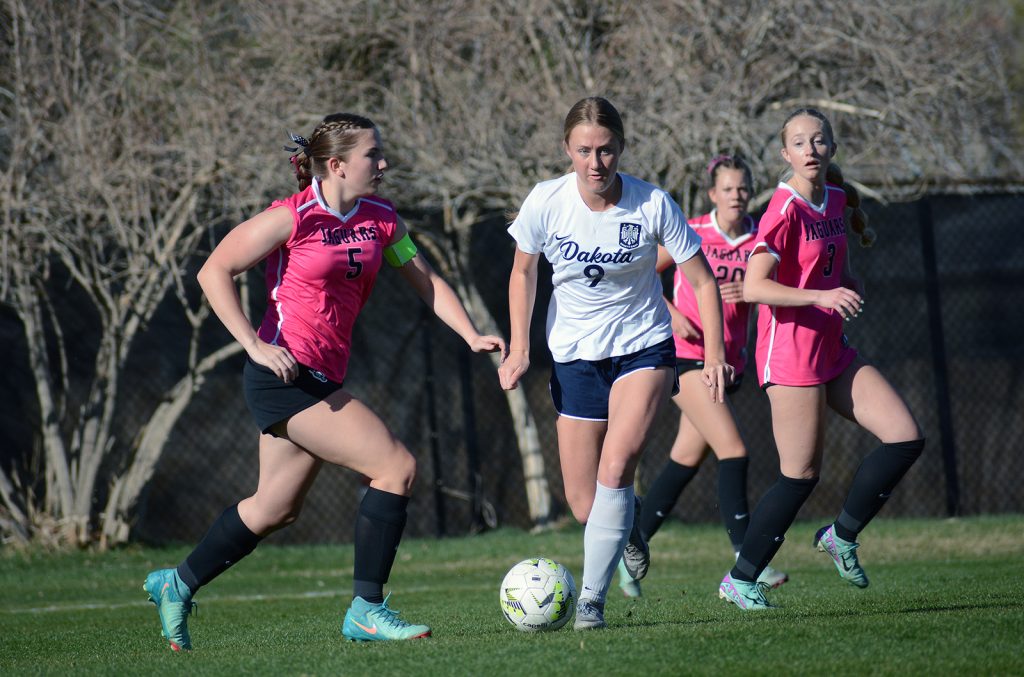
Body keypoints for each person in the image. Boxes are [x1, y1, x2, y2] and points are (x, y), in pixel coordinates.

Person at [142, 113, 505, 649]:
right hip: (285, 376)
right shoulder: (293, 217)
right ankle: (367, 610)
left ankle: (178, 583)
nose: (382, 164)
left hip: (320, 375)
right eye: (371, 155)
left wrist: (471, 335)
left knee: (274, 508)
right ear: (336, 165)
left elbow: (424, 279)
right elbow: (212, 271)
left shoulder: (381, 218)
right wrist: (255, 345)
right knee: (395, 466)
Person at [498, 97, 733, 630]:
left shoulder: (652, 205)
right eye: (584, 151)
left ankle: (590, 603)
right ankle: (627, 528)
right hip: (575, 357)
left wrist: (714, 354)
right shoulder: (546, 201)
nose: (595, 163)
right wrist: (519, 346)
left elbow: (701, 280)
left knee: (616, 464)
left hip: (642, 347)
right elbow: (522, 274)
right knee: (587, 504)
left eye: (606, 151)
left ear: (621, 148)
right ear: (567, 150)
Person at [718, 108, 924, 611]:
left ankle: (842, 534)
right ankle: (741, 578)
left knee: (905, 437)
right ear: (784, 154)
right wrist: (821, 298)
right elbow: (757, 286)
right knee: (801, 475)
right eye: (799, 142)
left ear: (831, 147)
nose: (810, 149)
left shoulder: (834, 197)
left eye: (819, 140)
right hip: (788, 353)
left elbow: (838, 265)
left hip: (830, 348)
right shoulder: (782, 209)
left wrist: (844, 286)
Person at [615, 155, 787, 598]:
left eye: (743, 188)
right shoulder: (693, 232)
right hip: (686, 358)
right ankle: (748, 560)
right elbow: (639, 276)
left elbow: (771, 292)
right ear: (713, 194)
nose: (736, 195)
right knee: (734, 450)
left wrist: (750, 291)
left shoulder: (758, 240)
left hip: (729, 363)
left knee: (684, 461)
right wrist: (670, 314)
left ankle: (628, 556)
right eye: (727, 189)